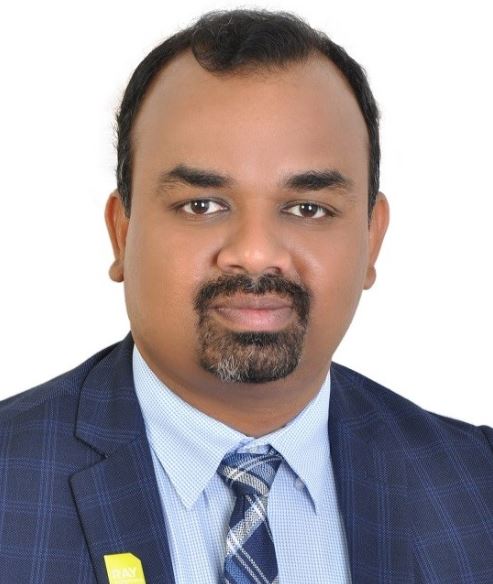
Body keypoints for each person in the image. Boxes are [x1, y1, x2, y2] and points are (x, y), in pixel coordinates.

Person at [1, 8, 492, 584]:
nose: (256, 254)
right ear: (122, 232)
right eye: (201, 205)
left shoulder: (476, 488)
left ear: (371, 237)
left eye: (308, 208)